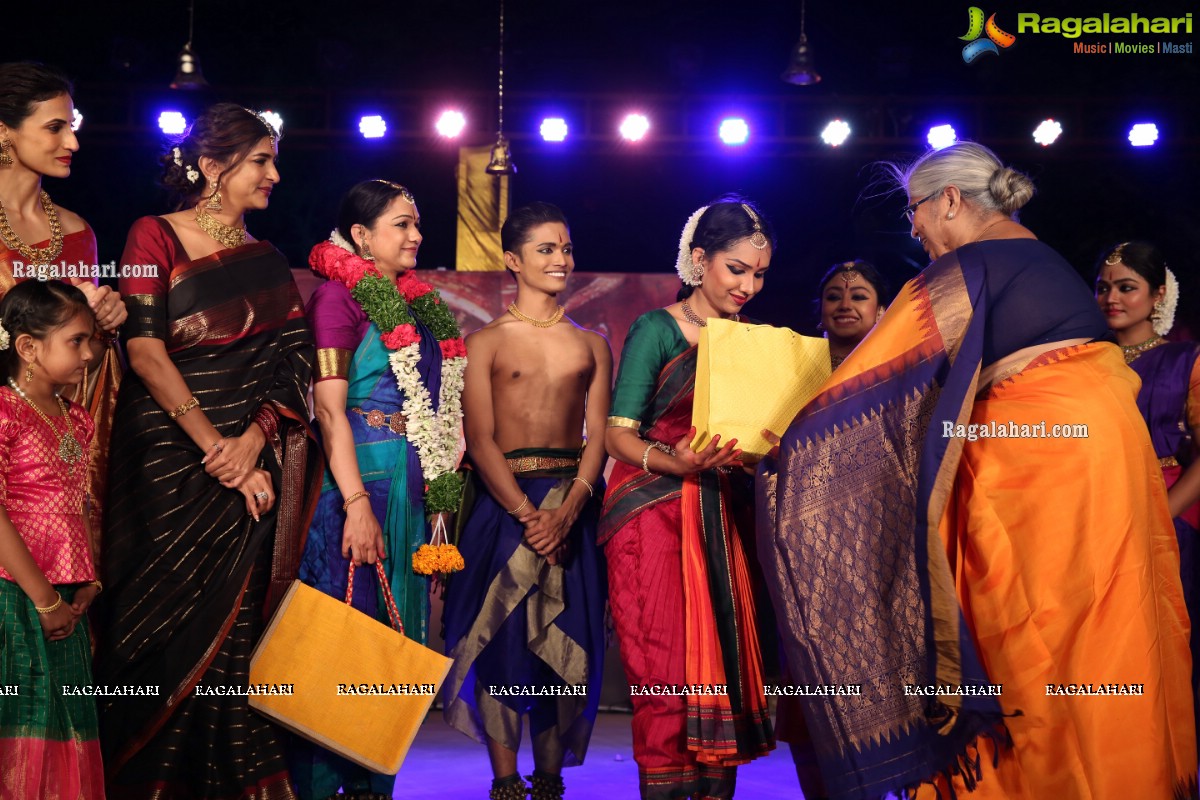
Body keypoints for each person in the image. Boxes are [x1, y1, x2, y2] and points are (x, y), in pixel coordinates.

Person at [758, 141, 1196, 799]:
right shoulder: (1046, 261)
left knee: (1019, 637)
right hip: (1109, 460)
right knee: (1099, 632)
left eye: (916, 211)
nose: (913, 230)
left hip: (1034, 473)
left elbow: (864, 387)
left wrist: (779, 455)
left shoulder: (966, 268)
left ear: (952, 201)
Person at [94, 104, 318, 798]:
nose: (274, 175)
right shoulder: (152, 235)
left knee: (239, 630)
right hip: (164, 463)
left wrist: (250, 443)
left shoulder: (269, 260)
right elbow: (144, 350)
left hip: (245, 469)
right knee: (154, 626)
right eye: (260, 161)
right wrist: (213, 444)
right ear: (213, 166)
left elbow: (292, 366)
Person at [292, 178, 466, 799]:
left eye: (417, 223)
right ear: (361, 236)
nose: (417, 236)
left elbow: (442, 415)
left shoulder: (421, 306)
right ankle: (321, 786)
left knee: (398, 647)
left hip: (414, 491)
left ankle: (374, 785)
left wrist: (440, 512)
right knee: (349, 644)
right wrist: (357, 506)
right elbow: (330, 410)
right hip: (358, 487)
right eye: (402, 224)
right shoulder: (338, 300)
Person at [601, 197, 775, 800]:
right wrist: (677, 462)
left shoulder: (752, 340)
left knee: (718, 669)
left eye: (759, 274)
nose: (749, 286)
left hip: (720, 515)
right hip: (652, 511)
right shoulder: (658, 328)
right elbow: (617, 434)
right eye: (736, 269)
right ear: (699, 260)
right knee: (665, 667)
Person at [442, 202, 610, 800]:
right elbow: (480, 438)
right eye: (546, 249)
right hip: (503, 506)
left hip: (572, 506)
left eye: (566, 248)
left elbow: (599, 437)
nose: (561, 259)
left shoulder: (591, 345)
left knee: (564, 638)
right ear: (512, 260)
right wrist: (526, 514)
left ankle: (550, 780)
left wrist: (566, 513)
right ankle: (506, 781)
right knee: (502, 640)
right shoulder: (483, 342)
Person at [0, 61, 127, 541]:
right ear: (4, 132)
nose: (72, 143)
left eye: (71, 128)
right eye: (54, 128)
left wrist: (104, 327)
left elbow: (80, 357)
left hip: (62, 445)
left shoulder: (77, 233)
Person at [0, 280, 102, 798]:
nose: (89, 354)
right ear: (27, 347)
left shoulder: (77, 418)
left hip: (65, 603)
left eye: (92, 341)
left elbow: (80, 501)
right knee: (21, 721)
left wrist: (89, 577)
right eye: (76, 341)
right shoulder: (3, 410)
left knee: (63, 725)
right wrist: (43, 599)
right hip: (15, 599)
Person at [1095, 239, 1200, 739]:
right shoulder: (1083, 364)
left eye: (1127, 287)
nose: (1112, 297)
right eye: (1104, 287)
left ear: (1159, 295)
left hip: (1171, 519)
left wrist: (1158, 518)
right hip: (1095, 519)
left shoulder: (1186, 360)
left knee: (1166, 648)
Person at [816, 259, 889, 370]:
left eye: (858, 297)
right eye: (834, 297)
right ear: (821, 308)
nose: (845, 306)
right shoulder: (795, 366)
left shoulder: (896, 371)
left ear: (880, 311)